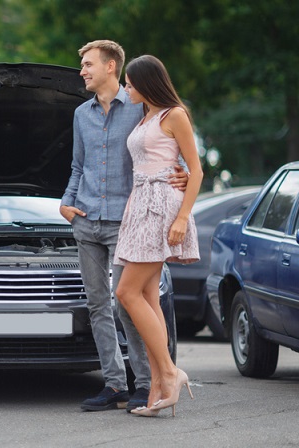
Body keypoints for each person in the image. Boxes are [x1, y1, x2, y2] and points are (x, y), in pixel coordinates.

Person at [60, 40, 188, 413]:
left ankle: (147, 380)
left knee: (126, 304)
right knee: (98, 305)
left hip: (128, 221)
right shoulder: (80, 114)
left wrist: (178, 175)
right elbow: (77, 166)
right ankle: (114, 384)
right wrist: (67, 202)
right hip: (86, 220)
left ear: (111, 66)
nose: (82, 70)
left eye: (87, 64)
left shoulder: (138, 107)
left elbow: (165, 147)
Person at [114, 54, 201, 417]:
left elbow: (195, 171)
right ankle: (157, 390)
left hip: (161, 207)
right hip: (138, 205)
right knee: (147, 296)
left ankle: (170, 371)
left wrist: (182, 218)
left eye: (131, 83)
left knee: (126, 292)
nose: (127, 88)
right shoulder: (144, 116)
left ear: (148, 83)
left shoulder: (173, 114)